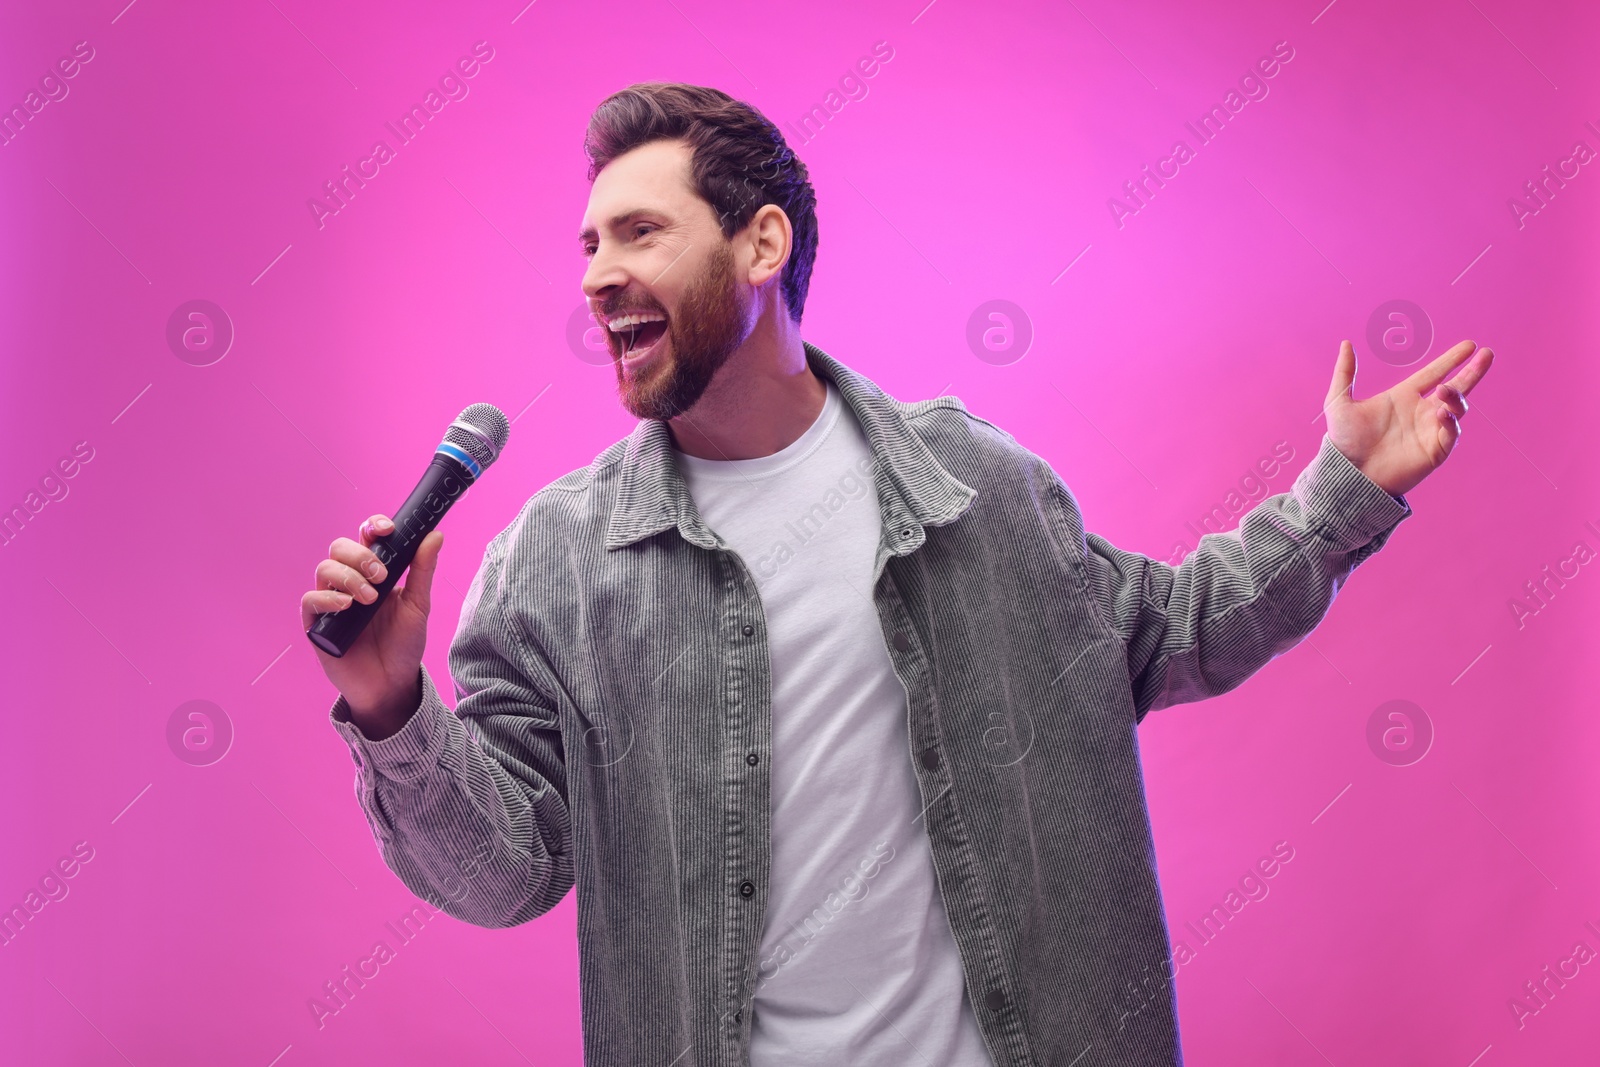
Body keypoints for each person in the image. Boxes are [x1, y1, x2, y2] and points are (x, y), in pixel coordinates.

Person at [300, 83, 1493, 1067]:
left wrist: (1339, 487)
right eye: (589, 243)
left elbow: (1167, 631)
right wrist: (390, 705)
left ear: (760, 243)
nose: (596, 275)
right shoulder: (557, 561)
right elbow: (507, 871)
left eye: (641, 232)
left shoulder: (966, 479)